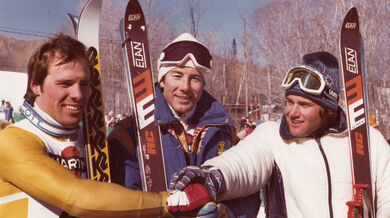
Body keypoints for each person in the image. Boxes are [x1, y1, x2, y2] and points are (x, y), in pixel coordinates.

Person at [0, 34, 211, 218]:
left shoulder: (94, 141)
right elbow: (76, 197)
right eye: (64, 83)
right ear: (35, 85)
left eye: (84, 84)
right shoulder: (13, 140)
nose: (78, 94)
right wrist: (169, 202)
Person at [169, 51, 390, 217]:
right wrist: (211, 177)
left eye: (304, 104)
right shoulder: (274, 136)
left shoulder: (367, 140)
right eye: (289, 102)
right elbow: (243, 162)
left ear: (328, 110)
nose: (292, 112)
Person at [108, 32, 260, 217]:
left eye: (194, 78)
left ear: (202, 84)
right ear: (162, 80)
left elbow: (247, 189)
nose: (185, 87)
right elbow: (122, 200)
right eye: (177, 76)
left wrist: (230, 214)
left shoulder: (224, 131)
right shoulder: (130, 133)